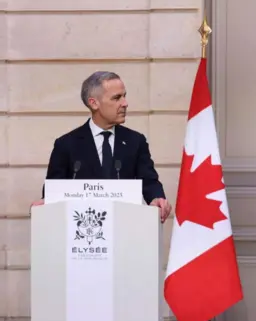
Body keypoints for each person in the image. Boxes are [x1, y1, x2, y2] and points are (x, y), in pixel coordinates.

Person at [30, 71, 172, 223]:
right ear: (94, 103)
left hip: (125, 227)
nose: (125, 103)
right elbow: (54, 189)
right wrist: (46, 204)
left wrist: (157, 198)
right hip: (83, 231)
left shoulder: (135, 141)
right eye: (117, 98)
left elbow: (149, 181)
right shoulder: (66, 144)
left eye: (124, 96)